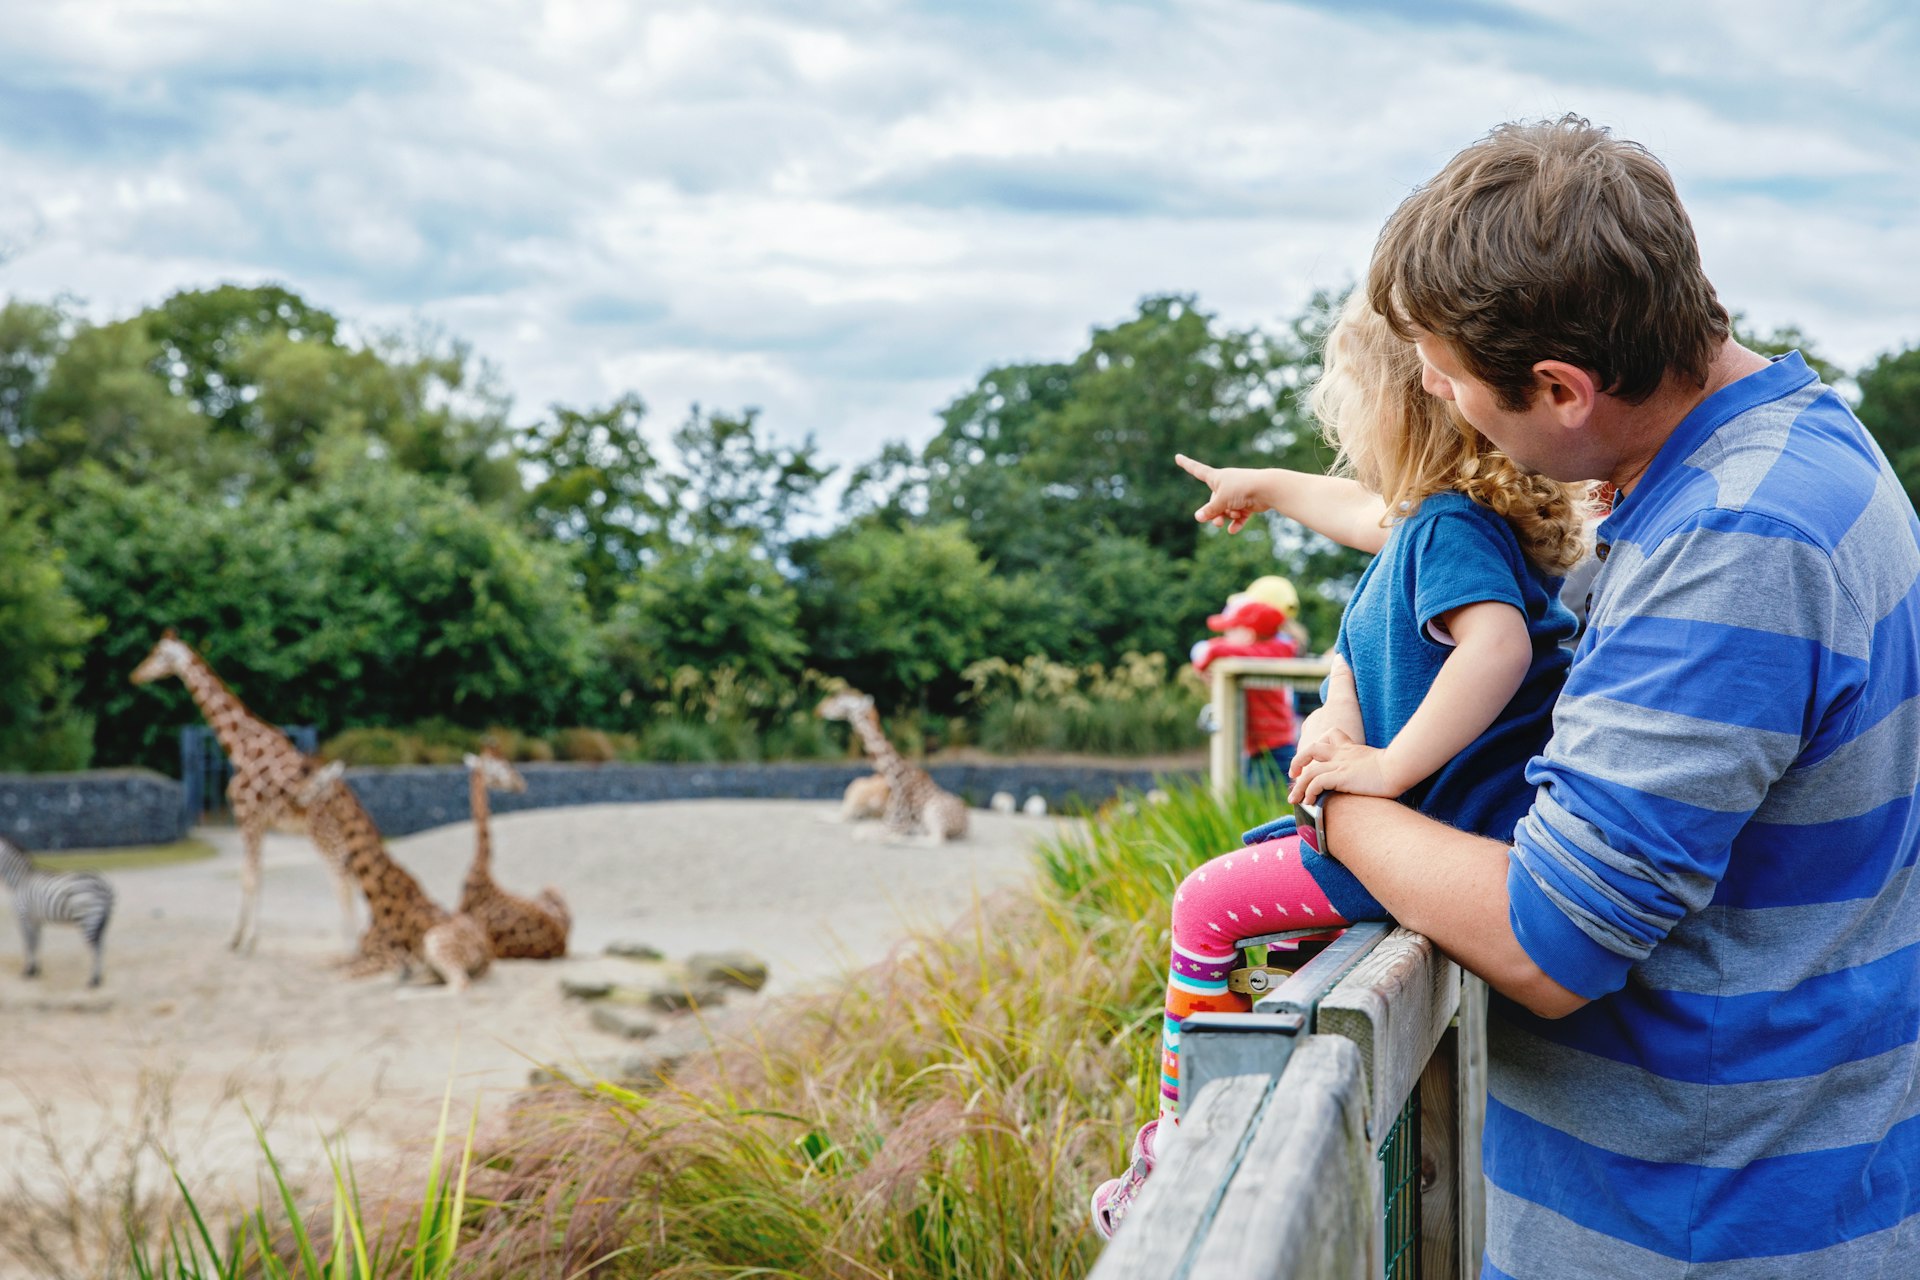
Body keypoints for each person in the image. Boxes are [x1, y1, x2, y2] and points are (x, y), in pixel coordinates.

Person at [1291, 116, 1920, 1276]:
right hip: (1762, 1189)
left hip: (1699, 1226)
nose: (1430, 390)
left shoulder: (1737, 539)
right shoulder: (1786, 456)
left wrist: (1335, 796)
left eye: (1447, 373)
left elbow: (1553, 938)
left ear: (1562, 386)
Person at [1089, 288, 1591, 1238]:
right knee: (1257, 926)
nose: (1343, 439)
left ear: (1402, 413)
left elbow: (1498, 648)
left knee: (1206, 903)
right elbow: (1359, 512)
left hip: (1435, 828)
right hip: (1445, 827)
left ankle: (1172, 1148)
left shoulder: (1447, 529)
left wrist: (1388, 768)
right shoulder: (1445, 522)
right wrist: (1266, 485)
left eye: (1349, 411)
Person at [1189, 592, 1300, 786]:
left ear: (1248, 633)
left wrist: (1206, 660)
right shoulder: (1256, 651)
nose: (1224, 637)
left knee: (1283, 801)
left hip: (1276, 748)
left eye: (1230, 630)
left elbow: (1214, 650)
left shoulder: (1269, 652)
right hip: (1256, 748)